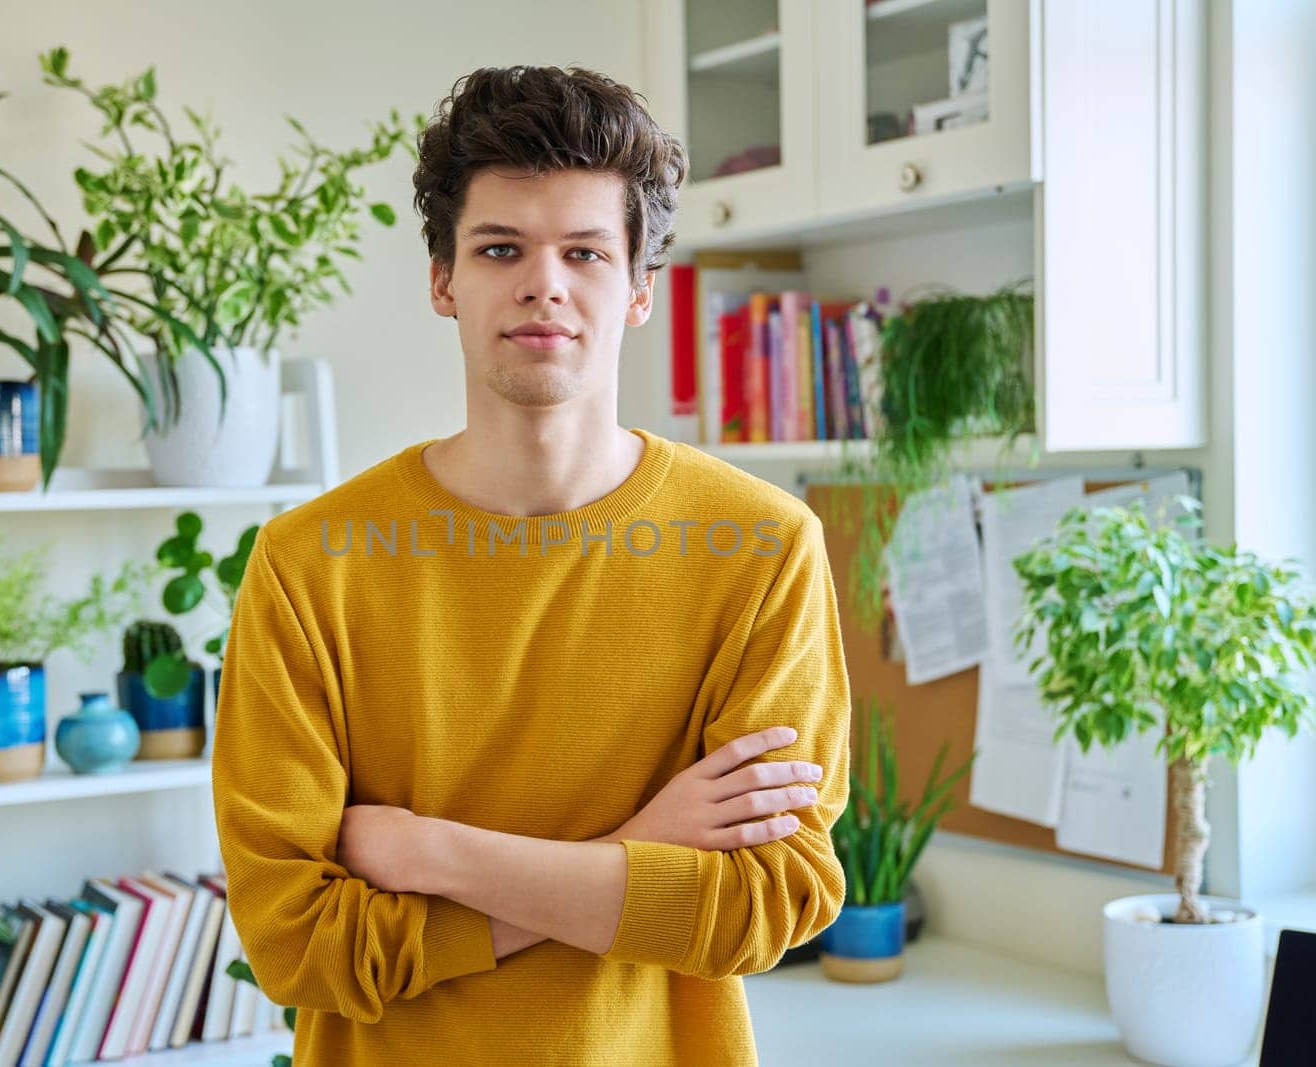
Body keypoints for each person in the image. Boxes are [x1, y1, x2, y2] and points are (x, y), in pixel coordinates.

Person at [212, 64, 852, 1066]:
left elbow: (767, 905)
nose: (543, 282)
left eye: (586, 252)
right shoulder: (308, 563)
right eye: (500, 247)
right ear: (443, 280)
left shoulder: (761, 547)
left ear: (641, 289)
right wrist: (640, 850)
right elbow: (296, 943)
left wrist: (435, 854)